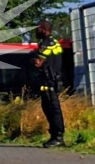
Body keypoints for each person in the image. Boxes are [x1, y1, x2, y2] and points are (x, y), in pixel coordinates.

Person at [31, 19, 65, 148]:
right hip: (55, 80)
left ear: (44, 30)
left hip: (48, 82)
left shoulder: (46, 44)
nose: (36, 31)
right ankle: (56, 136)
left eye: (38, 29)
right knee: (53, 108)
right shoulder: (55, 42)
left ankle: (57, 137)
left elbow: (38, 62)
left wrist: (32, 60)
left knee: (52, 109)